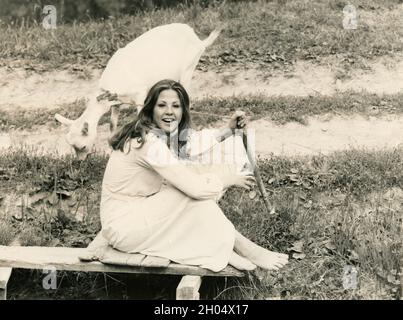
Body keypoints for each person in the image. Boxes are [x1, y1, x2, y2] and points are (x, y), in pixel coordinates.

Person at [100, 79, 288, 272]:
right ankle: (244, 249)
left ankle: (230, 249)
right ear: (150, 109)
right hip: (124, 226)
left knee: (188, 189)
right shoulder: (147, 142)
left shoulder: (157, 134)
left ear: (183, 111)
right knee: (192, 192)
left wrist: (229, 130)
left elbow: (191, 145)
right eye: (162, 105)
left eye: (176, 106)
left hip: (137, 213)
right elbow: (196, 190)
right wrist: (228, 180)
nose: (169, 112)